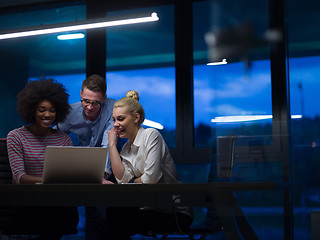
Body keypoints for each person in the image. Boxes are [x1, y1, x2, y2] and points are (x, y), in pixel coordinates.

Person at [105, 90, 194, 239]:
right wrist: (112, 146)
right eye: (114, 120)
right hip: (149, 208)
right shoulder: (126, 148)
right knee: (113, 214)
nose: (115, 125)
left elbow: (151, 179)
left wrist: (133, 180)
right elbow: (122, 180)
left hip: (175, 213)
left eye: (120, 119)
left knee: (116, 219)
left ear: (136, 118)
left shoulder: (151, 135)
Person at [6, 79, 79, 240]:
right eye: (42, 110)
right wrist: (47, 181)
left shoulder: (64, 139)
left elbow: (68, 175)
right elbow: (20, 177)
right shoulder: (16, 136)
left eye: (52, 110)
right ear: (32, 110)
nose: (48, 115)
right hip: (28, 205)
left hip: (57, 204)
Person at [56, 74, 116, 181]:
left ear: (104, 98)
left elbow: (107, 143)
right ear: (81, 94)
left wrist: (102, 176)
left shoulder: (114, 109)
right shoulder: (70, 113)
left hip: (107, 169)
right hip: (79, 166)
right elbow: (56, 135)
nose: (90, 107)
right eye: (86, 101)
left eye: (95, 103)